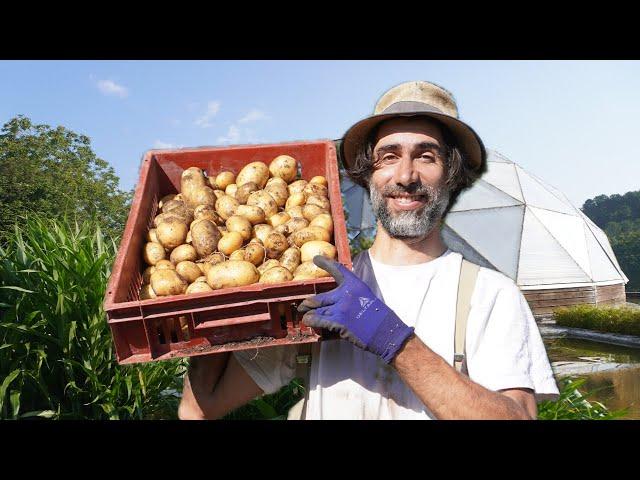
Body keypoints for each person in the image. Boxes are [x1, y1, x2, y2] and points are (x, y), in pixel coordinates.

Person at [178, 80, 559, 420]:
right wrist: (217, 313)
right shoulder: (317, 290)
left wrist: (396, 341)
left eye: (426, 156)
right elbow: (199, 409)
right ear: (368, 174)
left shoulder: (489, 295)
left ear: (451, 174)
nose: (406, 176)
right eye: (389, 156)